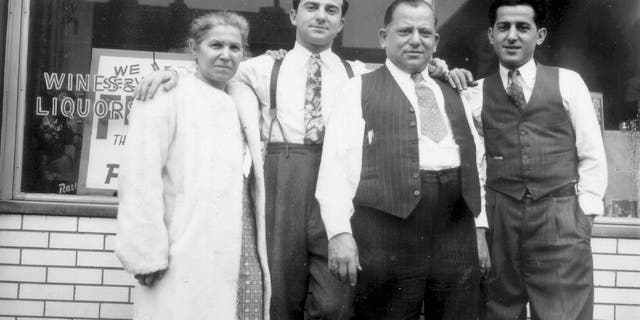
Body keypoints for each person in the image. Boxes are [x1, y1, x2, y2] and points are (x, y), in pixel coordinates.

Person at [316, 1, 489, 319]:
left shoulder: (452, 91)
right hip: (387, 228)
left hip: (454, 226)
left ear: (435, 42)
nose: (415, 39)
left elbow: (474, 161)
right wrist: (339, 233)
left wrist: (478, 227)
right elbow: (337, 168)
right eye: (404, 30)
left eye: (424, 32)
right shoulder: (358, 88)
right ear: (384, 37)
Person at [449, 0, 607, 318]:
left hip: (559, 216)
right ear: (491, 35)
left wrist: (584, 218)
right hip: (500, 219)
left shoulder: (569, 83)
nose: (512, 36)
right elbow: (475, 167)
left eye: (523, 28)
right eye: (503, 27)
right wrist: (481, 227)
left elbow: (592, 154)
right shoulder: (473, 94)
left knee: (564, 312)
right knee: (497, 311)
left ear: (541, 35)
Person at [115, 11, 270, 320]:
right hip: (184, 242)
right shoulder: (166, 94)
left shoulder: (245, 98)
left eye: (235, 47)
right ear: (193, 49)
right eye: (216, 45)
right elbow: (139, 178)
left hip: (241, 238)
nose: (226, 55)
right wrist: (145, 254)